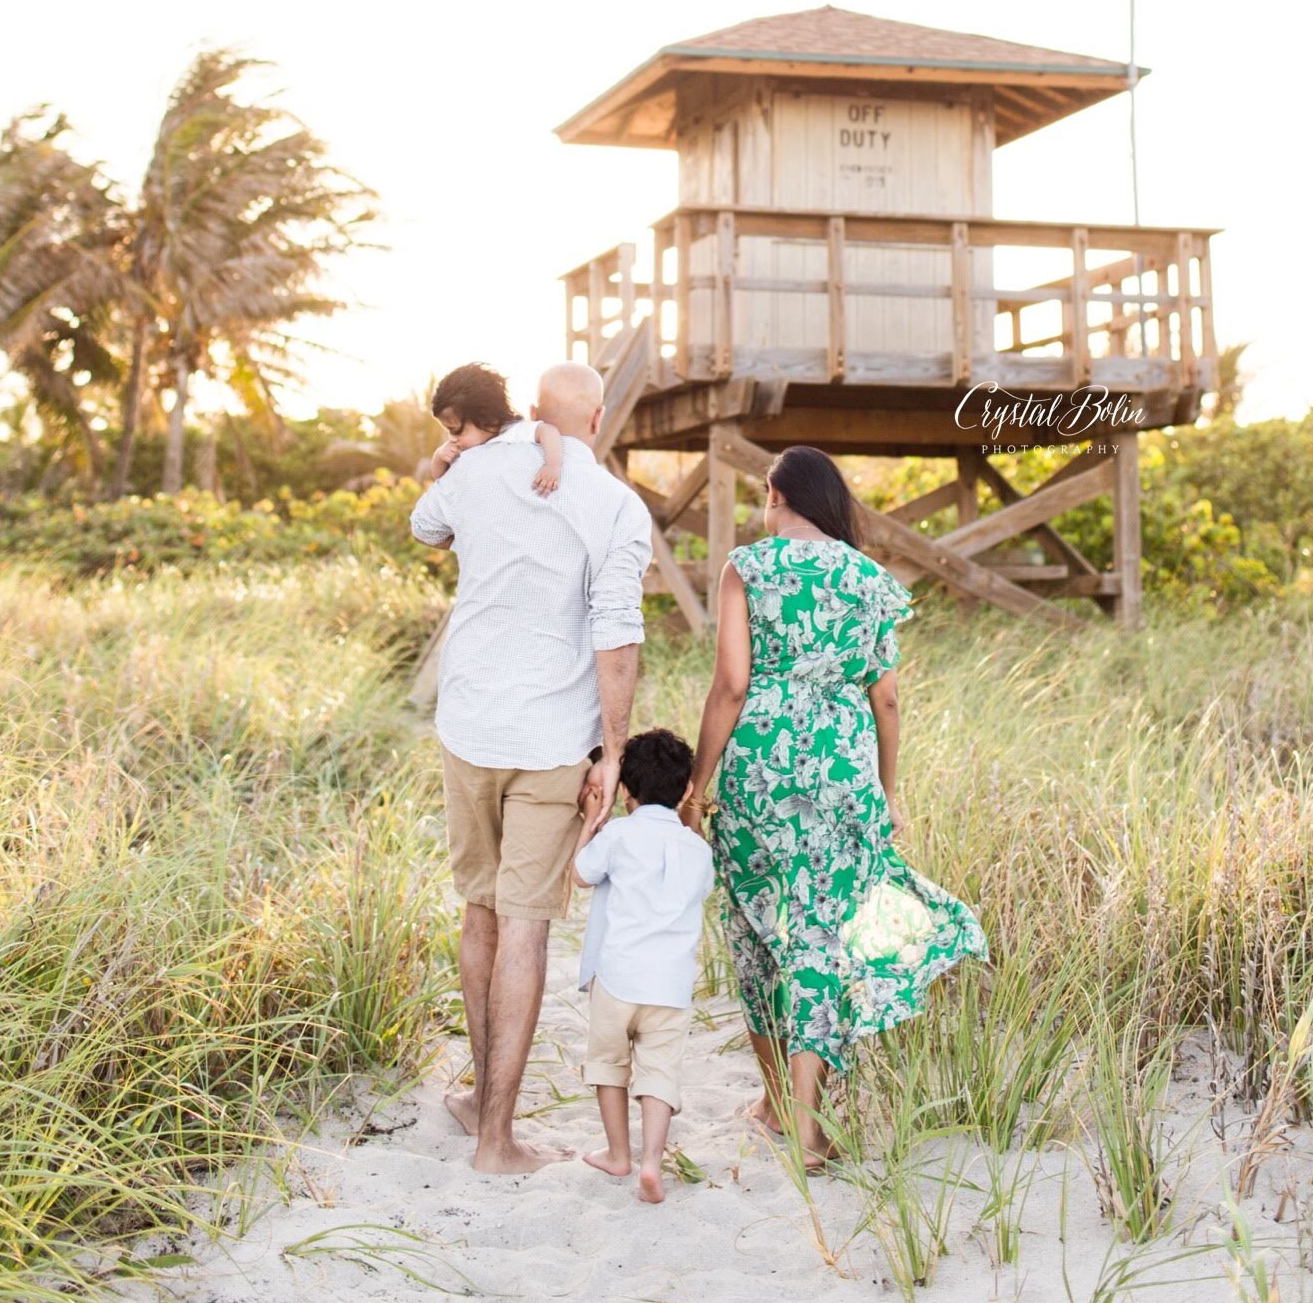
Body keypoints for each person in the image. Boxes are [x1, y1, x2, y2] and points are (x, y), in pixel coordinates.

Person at [681, 445, 987, 1168]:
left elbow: (730, 683)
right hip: (843, 766)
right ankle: (808, 1119)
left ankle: (777, 1105)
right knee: (820, 935)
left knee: (756, 927)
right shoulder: (868, 579)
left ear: (777, 494)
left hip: (761, 763)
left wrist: (699, 781)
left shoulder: (748, 567)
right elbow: (886, 695)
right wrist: (887, 789)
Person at [411, 361, 652, 1175]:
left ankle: (482, 1101)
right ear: (599, 416)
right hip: (552, 735)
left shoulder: (473, 466)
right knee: (524, 922)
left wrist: (446, 465)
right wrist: (614, 753)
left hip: (469, 721)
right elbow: (616, 631)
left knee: (480, 910)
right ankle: (496, 1140)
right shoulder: (616, 505)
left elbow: (425, 526)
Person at [573, 727, 714, 1205]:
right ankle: (652, 1162)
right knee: (659, 1074)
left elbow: (581, 876)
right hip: (670, 986)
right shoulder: (698, 849)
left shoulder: (618, 834)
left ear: (627, 790)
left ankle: (618, 1153)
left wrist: (591, 821)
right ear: (688, 790)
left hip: (616, 978)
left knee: (610, 1065)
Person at [426, 360, 565, 495]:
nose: (451, 438)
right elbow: (439, 478)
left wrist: (552, 465)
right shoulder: (461, 448)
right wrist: (439, 457)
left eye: (455, 430)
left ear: (488, 419)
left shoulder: (517, 432)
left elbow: (549, 431)